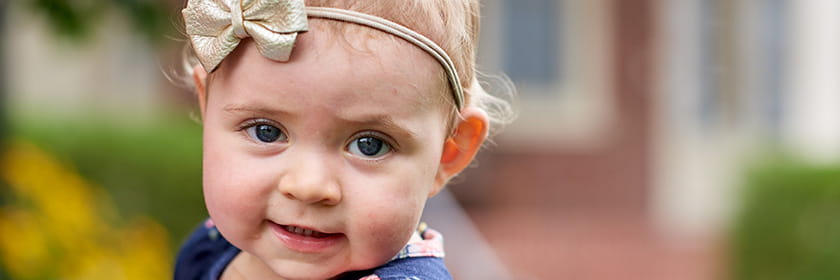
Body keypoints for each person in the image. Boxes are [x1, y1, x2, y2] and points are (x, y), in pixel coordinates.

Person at [173, 0, 513, 279]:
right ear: (208, 107)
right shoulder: (209, 248)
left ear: (449, 151)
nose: (309, 186)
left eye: (369, 145)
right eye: (267, 131)